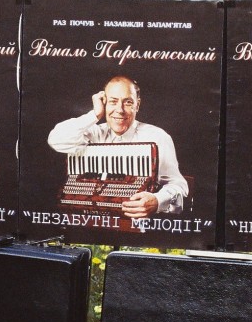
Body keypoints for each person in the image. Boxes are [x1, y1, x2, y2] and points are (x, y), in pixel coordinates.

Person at [47, 75, 188, 218]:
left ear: (137, 105)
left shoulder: (158, 137)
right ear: (104, 103)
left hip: (139, 224)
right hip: (91, 220)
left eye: (127, 102)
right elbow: (56, 140)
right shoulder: (92, 133)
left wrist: (158, 201)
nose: (119, 110)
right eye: (113, 102)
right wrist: (95, 115)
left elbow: (178, 185)